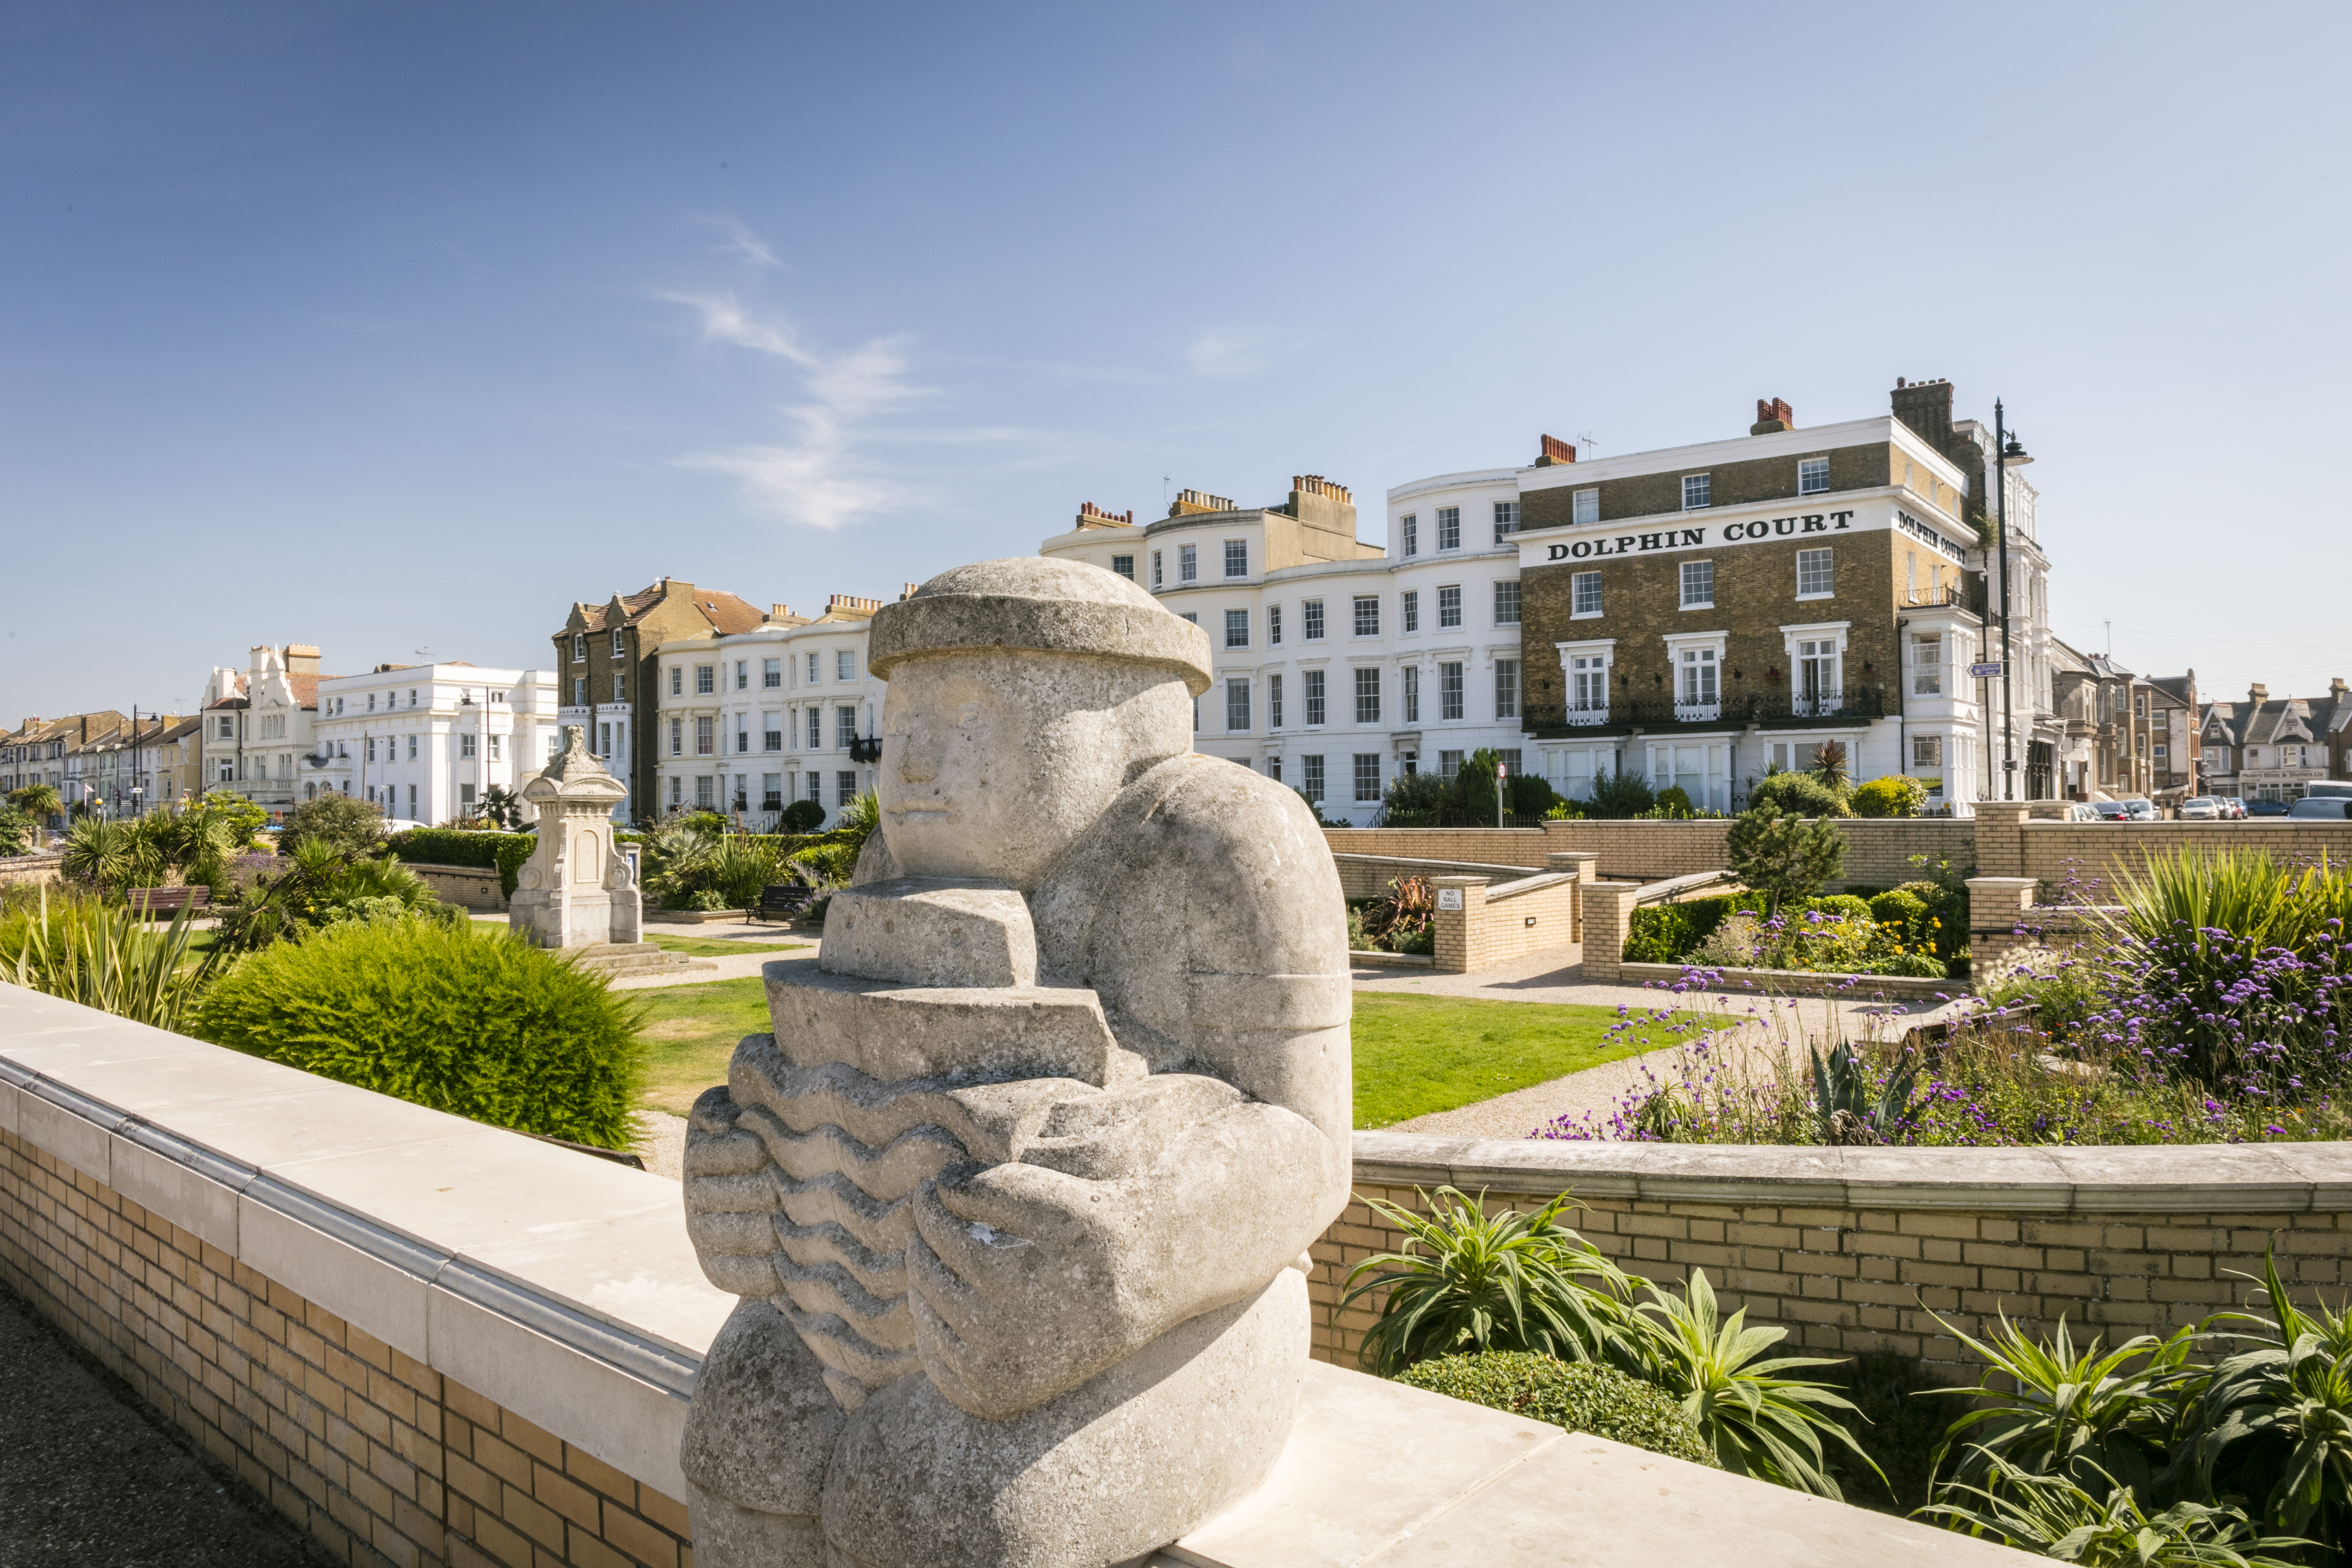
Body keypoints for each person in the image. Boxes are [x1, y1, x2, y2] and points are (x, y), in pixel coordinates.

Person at [681, 557, 1350, 1568]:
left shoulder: (1230, 845)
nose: (910, 766)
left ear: (1122, 714)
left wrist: (1134, 1257)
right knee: (746, 1428)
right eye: (902, 723)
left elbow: (1309, 1148)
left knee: (938, 1505)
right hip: (878, 1312)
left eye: (968, 722)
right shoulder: (894, 872)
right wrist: (757, 1191)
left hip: (1186, 1311)